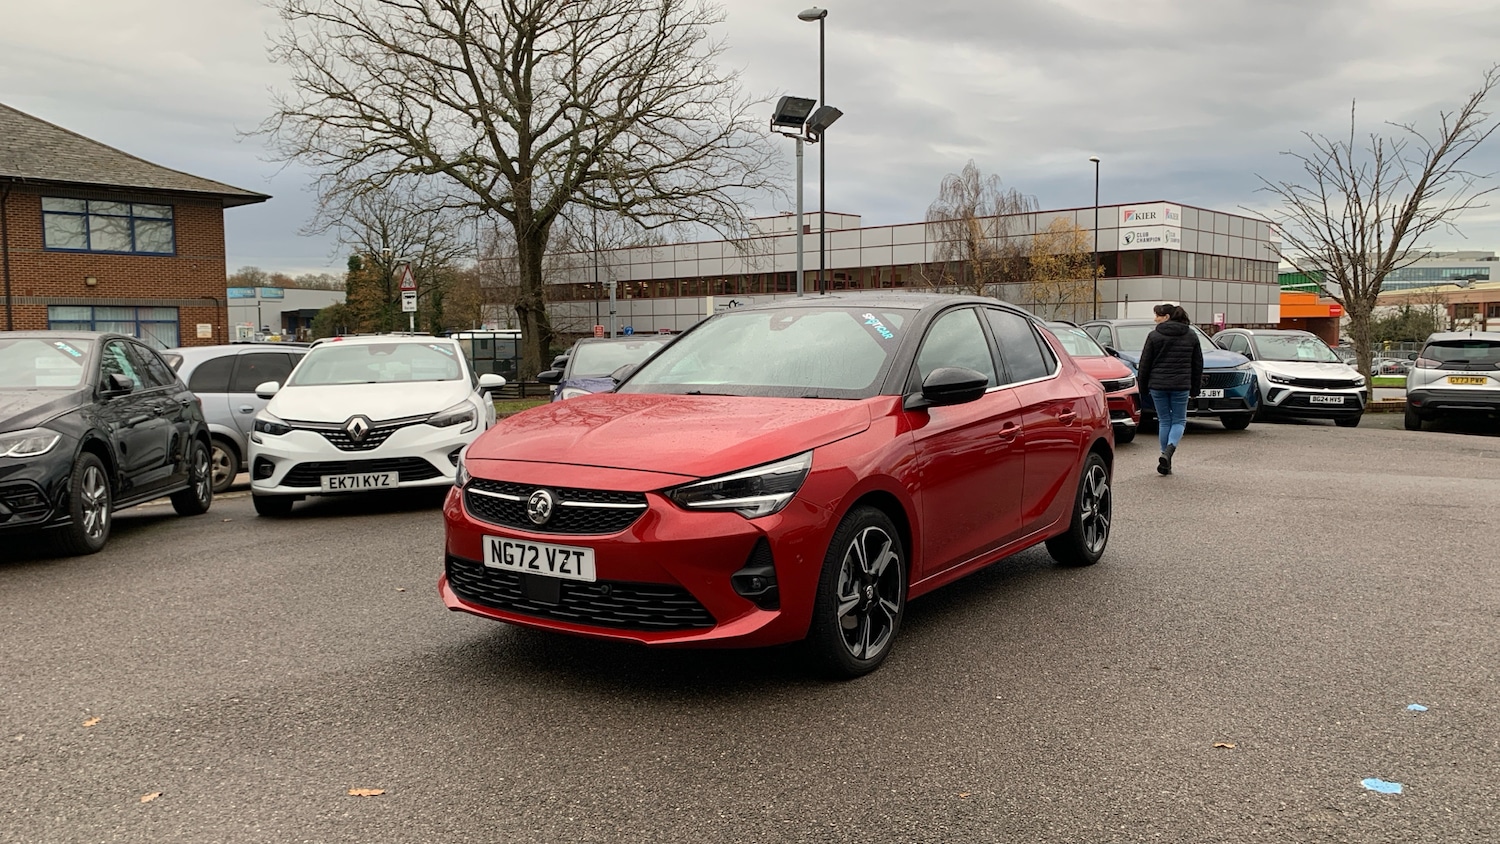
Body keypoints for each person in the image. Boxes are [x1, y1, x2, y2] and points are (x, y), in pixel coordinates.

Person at [1136, 303, 1203, 475]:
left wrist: (1142, 388)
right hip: (1181, 385)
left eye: (1157, 315)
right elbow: (1197, 364)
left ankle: (1165, 456)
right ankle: (1169, 451)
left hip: (1158, 385)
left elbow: (1145, 364)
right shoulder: (1191, 335)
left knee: (1164, 420)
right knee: (1179, 420)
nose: (1155, 319)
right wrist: (1195, 389)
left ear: (1166, 317)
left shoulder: (1154, 336)